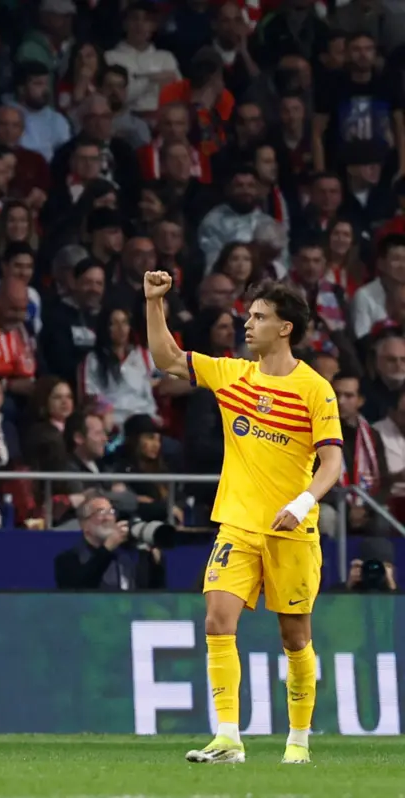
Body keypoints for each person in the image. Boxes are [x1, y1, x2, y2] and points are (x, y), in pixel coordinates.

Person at [145, 271, 343, 765]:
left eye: (258, 317)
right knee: (217, 619)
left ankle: (298, 740)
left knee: (295, 636)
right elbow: (167, 359)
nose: (247, 324)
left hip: (292, 530)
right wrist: (153, 303)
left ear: (285, 328)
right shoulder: (233, 374)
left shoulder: (315, 390)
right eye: (248, 315)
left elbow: (333, 462)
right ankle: (228, 736)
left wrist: (302, 504)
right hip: (237, 523)